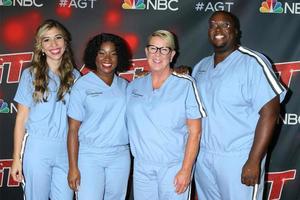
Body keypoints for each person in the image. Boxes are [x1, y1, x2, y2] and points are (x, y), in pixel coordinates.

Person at [192, 11, 286, 200]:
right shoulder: (201, 66)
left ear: (236, 31)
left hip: (238, 157)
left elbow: (270, 113)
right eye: (212, 25)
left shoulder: (253, 62)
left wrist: (253, 160)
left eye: (225, 25)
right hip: (204, 156)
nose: (217, 30)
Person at [126, 30, 207, 200]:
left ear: (172, 55)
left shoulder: (185, 84)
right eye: (153, 48)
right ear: (146, 52)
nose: (158, 54)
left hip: (174, 167)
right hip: (142, 168)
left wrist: (185, 170)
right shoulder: (134, 86)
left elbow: (195, 132)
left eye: (164, 50)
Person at [10, 19, 80, 200]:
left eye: (58, 38)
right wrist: (16, 158)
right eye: (46, 40)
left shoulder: (76, 77)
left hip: (67, 151)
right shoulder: (30, 75)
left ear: (65, 42)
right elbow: (21, 119)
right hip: (38, 149)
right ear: (40, 46)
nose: (54, 44)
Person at [67, 33, 131, 200]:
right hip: (90, 156)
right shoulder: (82, 86)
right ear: (94, 56)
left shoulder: (126, 86)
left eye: (113, 53)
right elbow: (73, 130)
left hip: (120, 156)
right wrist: (73, 167)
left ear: (119, 57)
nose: (107, 58)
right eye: (101, 53)